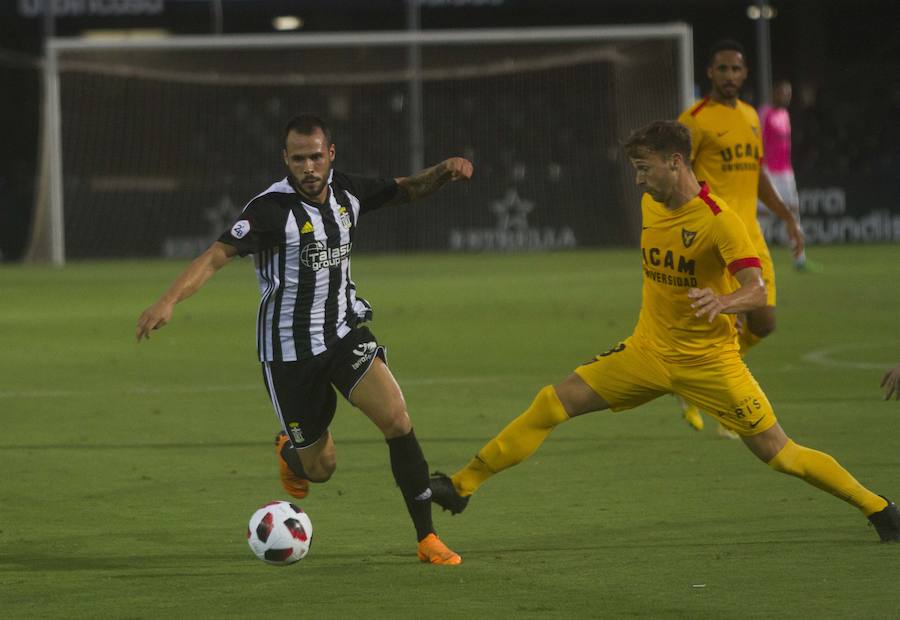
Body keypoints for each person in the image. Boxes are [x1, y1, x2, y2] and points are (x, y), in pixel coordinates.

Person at [428, 120, 900, 544]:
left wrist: (724, 300)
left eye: (644, 168)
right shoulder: (651, 205)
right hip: (645, 352)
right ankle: (463, 484)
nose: (638, 179)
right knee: (552, 402)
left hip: (710, 364)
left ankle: (879, 509)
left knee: (781, 454)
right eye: (635, 169)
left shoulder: (719, 221)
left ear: (675, 163)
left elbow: (757, 291)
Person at [136, 114, 473, 565]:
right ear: (286, 160)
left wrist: (443, 172)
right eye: (299, 159)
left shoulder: (348, 192)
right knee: (320, 469)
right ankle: (291, 452)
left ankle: (426, 539)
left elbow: (406, 188)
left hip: (342, 332)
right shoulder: (270, 210)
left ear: (330, 154)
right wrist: (168, 300)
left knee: (396, 418)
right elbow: (216, 256)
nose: (309, 167)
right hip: (289, 354)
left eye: (316, 156)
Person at [675, 39, 805, 437]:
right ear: (710, 74)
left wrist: (786, 216)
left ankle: (694, 387)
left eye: (736, 69)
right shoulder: (694, 120)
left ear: (745, 74)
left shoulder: (750, 115)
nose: (730, 76)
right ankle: (725, 405)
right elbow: (676, 176)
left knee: (763, 323)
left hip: (751, 236)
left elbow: (758, 173)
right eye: (722, 69)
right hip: (716, 238)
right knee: (724, 325)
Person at [758, 79, 808, 270]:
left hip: (786, 172)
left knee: (793, 212)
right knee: (764, 215)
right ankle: (754, 256)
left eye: (789, 93)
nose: (786, 96)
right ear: (774, 93)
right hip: (769, 171)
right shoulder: (765, 113)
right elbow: (757, 141)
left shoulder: (785, 114)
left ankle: (799, 259)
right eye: (783, 92)